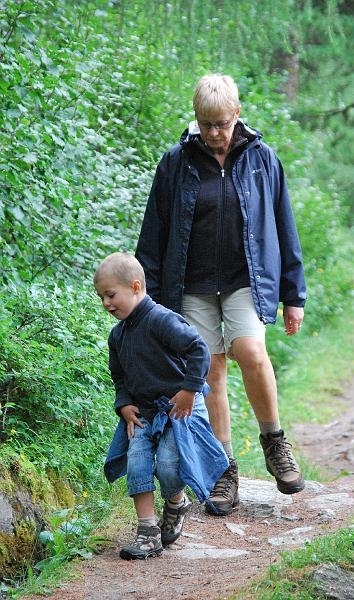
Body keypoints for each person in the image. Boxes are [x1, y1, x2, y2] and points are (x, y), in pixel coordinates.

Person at [135, 73, 307, 517]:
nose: (213, 133)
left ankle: (274, 442)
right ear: (196, 119)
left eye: (221, 124)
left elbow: (284, 226)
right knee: (208, 370)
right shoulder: (176, 163)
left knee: (250, 351)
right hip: (190, 286)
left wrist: (294, 294)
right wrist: (146, 304)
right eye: (205, 123)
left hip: (246, 279)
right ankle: (223, 470)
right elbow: (153, 235)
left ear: (237, 115)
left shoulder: (262, 159)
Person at [94, 251, 229, 559]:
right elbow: (119, 377)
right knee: (138, 464)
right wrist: (124, 404)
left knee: (169, 465)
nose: (106, 303)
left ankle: (176, 502)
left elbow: (198, 350)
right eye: (102, 297)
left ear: (136, 286)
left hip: (180, 407)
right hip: (144, 412)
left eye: (111, 294)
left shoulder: (162, 320)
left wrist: (188, 391)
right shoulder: (118, 336)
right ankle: (147, 533)